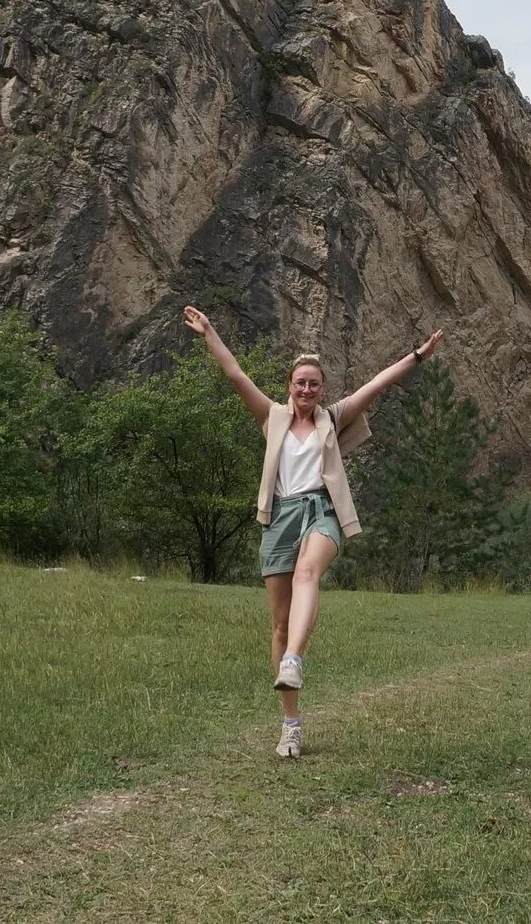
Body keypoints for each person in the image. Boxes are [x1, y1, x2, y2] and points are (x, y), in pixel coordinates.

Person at [181, 303, 443, 759]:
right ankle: (291, 724)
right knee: (279, 624)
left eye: (314, 383)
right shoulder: (272, 418)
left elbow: (380, 383)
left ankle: (295, 660)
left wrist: (418, 356)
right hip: (280, 517)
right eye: (300, 382)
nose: (306, 389)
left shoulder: (333, 417)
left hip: (322, 511)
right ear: (289, 387)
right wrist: (209, 333)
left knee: (308, 574)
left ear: (323, 390)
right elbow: (236, 376)